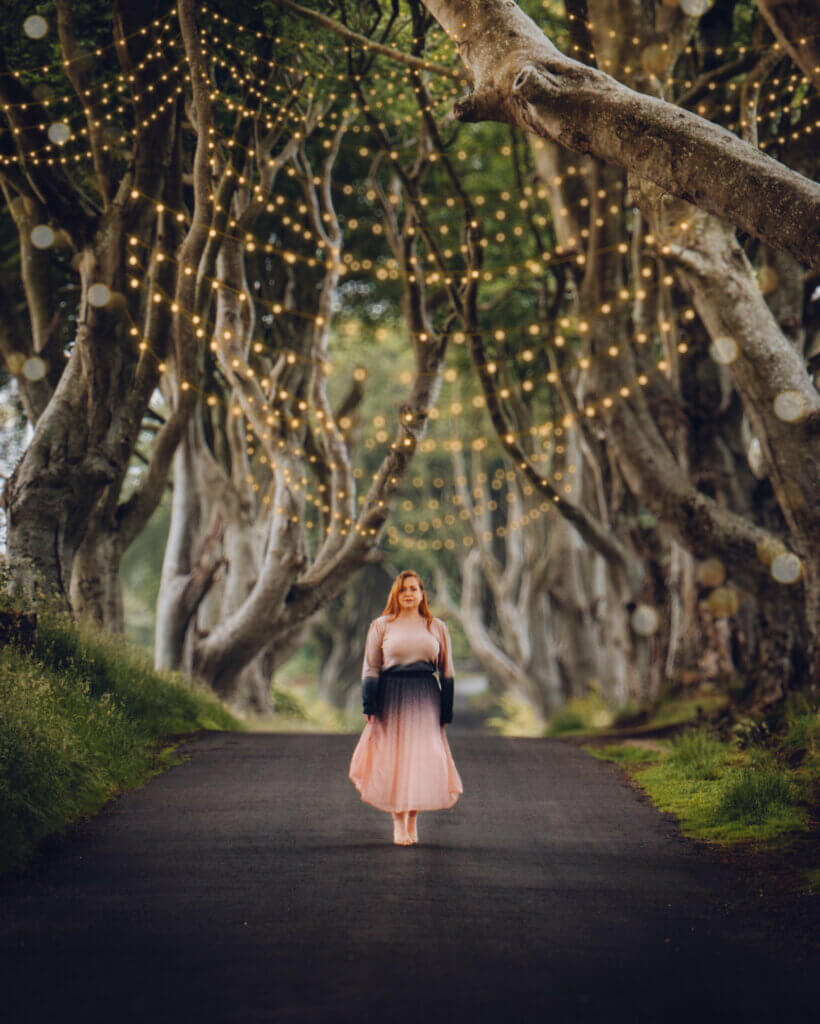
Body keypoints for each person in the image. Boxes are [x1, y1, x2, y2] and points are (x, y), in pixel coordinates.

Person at [348, 570, 463, 845]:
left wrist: (446, 710)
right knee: (394, 759)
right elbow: (371, 667)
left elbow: (447, 671)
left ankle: (413, 820)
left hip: (426, 697)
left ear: (422, 593)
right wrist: (369, 703)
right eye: (403, 590)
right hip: (390, 696)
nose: (409, 593)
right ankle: (398, 822)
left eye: (414, 588)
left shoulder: (436, 627)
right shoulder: (381, 625)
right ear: (395, 595)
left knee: (421, 759)